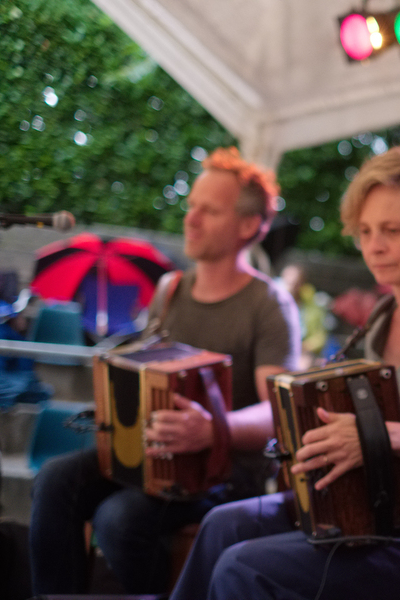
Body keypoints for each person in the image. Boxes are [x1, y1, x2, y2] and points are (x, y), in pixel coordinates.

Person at [169, 146, 400, 600]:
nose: (373, 246)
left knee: (246, 568)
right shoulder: (381, 320)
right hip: (380, 504)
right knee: (223, 524)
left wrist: (375, 437)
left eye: (392, 230)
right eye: (364, 231)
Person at [29, 147, 301, 595]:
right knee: (56, 480)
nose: (190, 218)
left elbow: (279, 412)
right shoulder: (169, 289)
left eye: (209, 210)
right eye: (192, 205)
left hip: (227, 474)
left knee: (119, 519)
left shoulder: (270, 305)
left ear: (249, 225)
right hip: (152, 456)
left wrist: (213, 429)